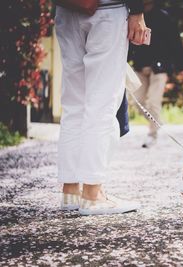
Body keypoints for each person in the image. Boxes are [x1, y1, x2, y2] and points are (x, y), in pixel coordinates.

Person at [56, 0, 147, 215]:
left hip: (67, 8)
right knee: (102, 103)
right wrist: (137, 10)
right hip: (108, 9)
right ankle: (92, 194)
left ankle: (70, 191)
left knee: (73, 104)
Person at [128, 0, 183, 148]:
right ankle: (157, 122)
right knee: (138, 102)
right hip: (140, 65)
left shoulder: (164, 17)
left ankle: (152, 135)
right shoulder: (131, 15)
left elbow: (175, 43)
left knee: (153, 103)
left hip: (160, 67)